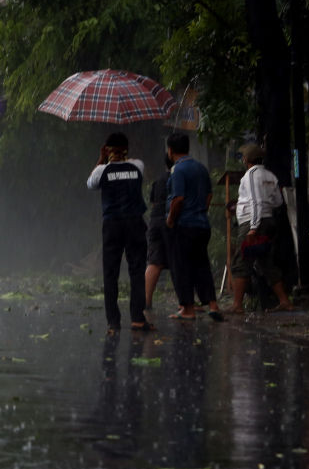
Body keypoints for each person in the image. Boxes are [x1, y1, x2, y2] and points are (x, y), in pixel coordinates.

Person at [86, 132, 151, 332]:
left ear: (107, 150)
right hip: (134, 223)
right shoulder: (137, 166)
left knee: (110, 273)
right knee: (137, 270)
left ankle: (113, 321)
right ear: (126, 149)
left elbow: (90, 184)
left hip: (112, 224)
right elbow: (138, 171)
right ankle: (137, 318)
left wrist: (101, 159)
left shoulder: (101, 171)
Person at [228, 143, 294, 313]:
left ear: (247, 159)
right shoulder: (270, 175)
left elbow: (256, 200)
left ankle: (237, 305)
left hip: (253, 223)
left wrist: (253, 227)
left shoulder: (251, 175)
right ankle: (284, 301)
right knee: (266, 261)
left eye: (243, 157)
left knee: (241, 261)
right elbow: (278, 201)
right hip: (268, 220)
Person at [164, 132, 223, 321]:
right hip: (202, 225)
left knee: (182, 266)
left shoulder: (178, 170)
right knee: (201, 265)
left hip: (185, 225)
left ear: (170, 150)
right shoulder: (201, 168)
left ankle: (187, 308)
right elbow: (208, 196)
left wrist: (171, 219)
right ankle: (213, 305)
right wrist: (200, 211)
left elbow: (178, 198)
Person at [144, 160, 172, 313]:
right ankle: (186, 304)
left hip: (155, 221)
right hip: (171, 220)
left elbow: (154, 203)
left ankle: (146, 301)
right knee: (179, 260)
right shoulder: (180, 177)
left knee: (154, 262)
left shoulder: (159, 180)